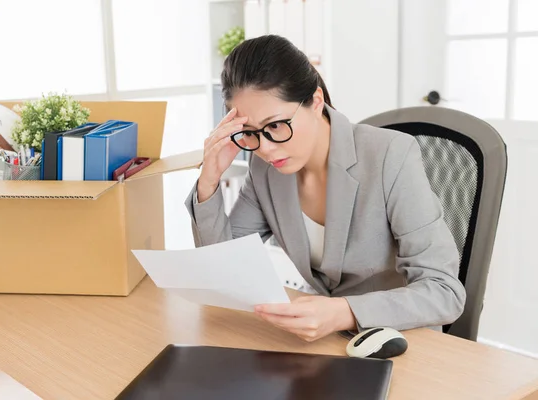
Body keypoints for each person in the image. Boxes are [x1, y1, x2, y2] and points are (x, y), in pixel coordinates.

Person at [184, 34, 466, 342]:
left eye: (276, 125)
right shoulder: (264, 168)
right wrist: (209, 179)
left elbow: (444, 292)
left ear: (316, 102)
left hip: (401, 339)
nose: (264, 148)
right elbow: (225, 269)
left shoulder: (390, 155)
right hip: (326, 343)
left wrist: (343, 311)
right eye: (249, 133)